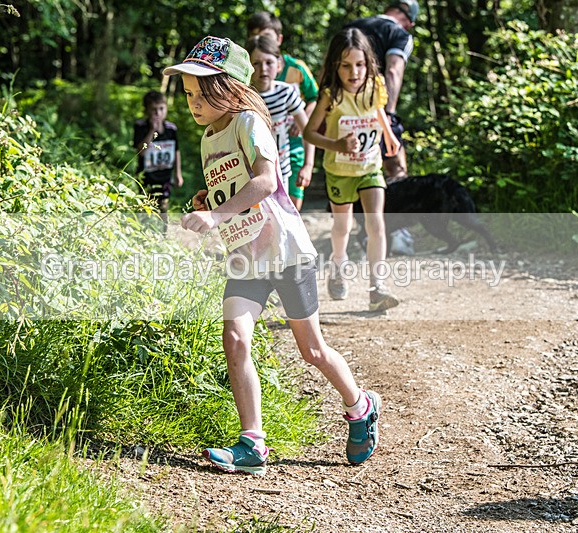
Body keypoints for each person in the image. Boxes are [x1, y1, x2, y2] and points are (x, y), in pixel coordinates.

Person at [164, 36, 381, 475]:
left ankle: (360, 407)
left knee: (313, 351)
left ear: (229, 87)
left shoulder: (249, 122)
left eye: (201, 92)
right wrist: (210, 199)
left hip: (286, 251)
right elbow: (236, 185)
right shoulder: (209, 139)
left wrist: (217, 213)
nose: (193, 102)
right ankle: (253, 443)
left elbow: (265, 181)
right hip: (245, 255)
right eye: (188, 93)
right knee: (235, 337)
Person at [303, 28, 401, 312]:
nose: (354, 72)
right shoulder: (329, 95)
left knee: (375, 223)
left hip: (370, 167)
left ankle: (377, 287)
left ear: (368, 63)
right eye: (346, 65)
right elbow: (309, 133)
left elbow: (378, 110)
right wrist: (336, 144)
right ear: (336, 65)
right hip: (339, 171)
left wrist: (389, 134)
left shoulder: (375, 86)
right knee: (343, 226)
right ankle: (338, 265)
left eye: (360, 64)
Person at [247, 11, 319, 210]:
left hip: (289, 153)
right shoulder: (244, 94)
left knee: (289, 210)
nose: (263, 69)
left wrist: (308, 165)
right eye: (257, 64)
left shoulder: (292, 78)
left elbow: (315, 99)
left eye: (269, 63)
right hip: (253, 169)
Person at [345, 0, 417, 180]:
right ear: (409, 23)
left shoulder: (352, 28)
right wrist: (389, 113)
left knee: (345, 170)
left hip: (341, 107)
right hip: (374, 107)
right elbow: (393, 70)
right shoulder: (400, 34)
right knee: (396, 168)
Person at [133, 90, 183, 220]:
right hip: (146, 176)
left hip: (165, 176)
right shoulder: (140, 127)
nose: (158, 113)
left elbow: (176, 151)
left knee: (163, 206)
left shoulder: (171, 129)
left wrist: (178, 173)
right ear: (147, 110)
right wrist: (152, 131)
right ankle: (143, 233)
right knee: (145, 207)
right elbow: (141, 151)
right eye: (154, 109)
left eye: (161, 108)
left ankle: (162, 234)